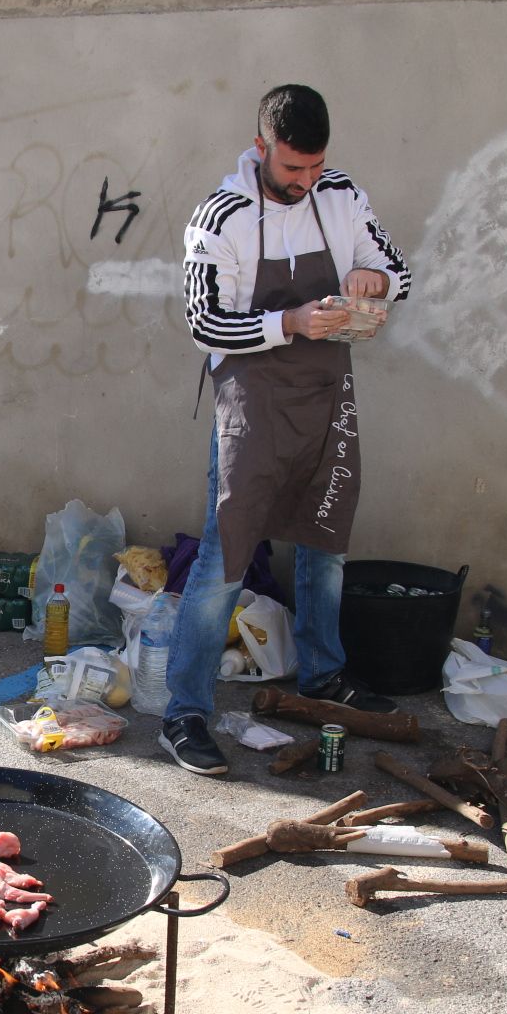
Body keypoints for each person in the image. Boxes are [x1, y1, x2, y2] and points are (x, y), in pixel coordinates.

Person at [161, 84, 412, 777]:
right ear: (261, 144)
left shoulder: (344, 197)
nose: (306, 183)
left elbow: (401, 274)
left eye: (315, 168)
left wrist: (373, 280)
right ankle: (184, 711)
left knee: (325, 540)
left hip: (329, 396)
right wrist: (291, 323)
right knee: (227, 554)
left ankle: (323, 677)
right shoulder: (222, 215)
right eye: (293, 168)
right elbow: (203, 323)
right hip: (253, 399)